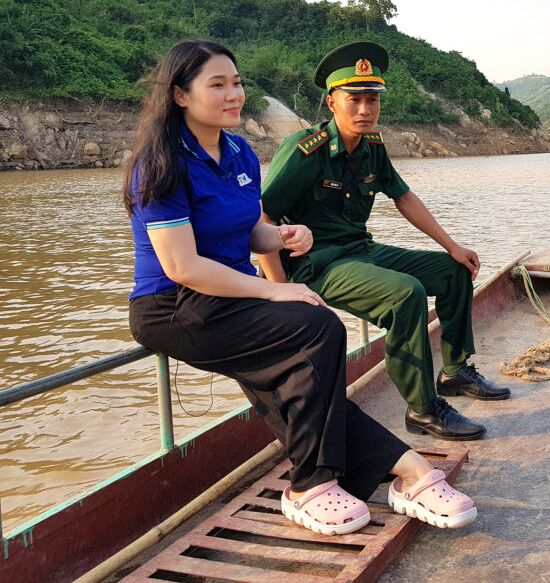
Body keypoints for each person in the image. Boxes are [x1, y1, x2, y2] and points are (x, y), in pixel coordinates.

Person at [124, 39, 477, 537]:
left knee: (297, 383)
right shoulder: (160, 163)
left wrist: (285, 235)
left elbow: (244, 232)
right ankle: (309, 485)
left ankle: (405, 470)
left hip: (226, 294)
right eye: (218, 85)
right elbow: (182, 265)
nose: (234, 94)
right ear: (181, 95)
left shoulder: (238, 152)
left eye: (238, 82)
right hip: (173, 306)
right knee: (317, 329)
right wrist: (275, 289)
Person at [257, 41, 510, 442]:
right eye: (354, 99)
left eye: (372, 99)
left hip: (361, 251)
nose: (365, 109)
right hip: (317, 265)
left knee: (452, 271)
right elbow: (263, 217)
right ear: (332, 102)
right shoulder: (307, 151)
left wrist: (453, 246)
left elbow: (404, 197)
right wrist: (281, 292)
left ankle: (455, 371)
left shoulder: (373, 148)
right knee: (405, 295)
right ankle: (423, 410)